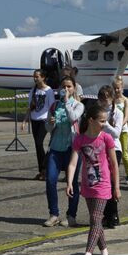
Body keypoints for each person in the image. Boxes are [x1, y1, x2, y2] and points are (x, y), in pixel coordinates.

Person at [66, 103, 121, 255]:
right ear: (91, 120)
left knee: (96, 219)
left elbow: (114, 164)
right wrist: (69, 182)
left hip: (103, 185)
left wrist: (116, 187)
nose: (104, 124)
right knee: (95, 220)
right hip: (88, 185)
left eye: (105, 121)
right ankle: (104, 253)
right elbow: (73, 164)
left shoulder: (106, 138)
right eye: (102, 121)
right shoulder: (80, 139)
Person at [43, 75, 84, 227]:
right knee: (50, 180)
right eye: (63, 87)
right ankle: (54, 214)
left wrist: (67, 103)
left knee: (72, 182)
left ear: (74, 89)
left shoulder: (78, 105)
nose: (66, 89)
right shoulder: (54, 106)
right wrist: (50, 123)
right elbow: (48, 128)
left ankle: (71, 215)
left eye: (69, 87)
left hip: (72, 149)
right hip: (55, 148)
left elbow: (73, 118)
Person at [21, 69, 55, 181]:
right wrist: (25, 121)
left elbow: (52, 106)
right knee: (37, 146)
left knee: (39, 143)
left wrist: (52, 119)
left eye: (37, 76)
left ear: (43, 77)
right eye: (34, 77)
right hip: (34, 120)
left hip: (44, 120)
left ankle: (45, 168)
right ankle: (42, 170)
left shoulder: (48, 91)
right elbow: (30, 107)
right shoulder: (33, 90)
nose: (35, 78)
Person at [98, 86, 124, 229]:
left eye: (106, 97)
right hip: (100, 147)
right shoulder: (98, 111)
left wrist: (105, 124)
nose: (104, 100)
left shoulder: (117, 113)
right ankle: (106, 215)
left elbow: (116, 133)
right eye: (101, 97)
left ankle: (113, 214)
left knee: (112, 181)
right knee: (103, 182)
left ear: (112, 98)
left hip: (114, 148)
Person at [113, 77, 128, 184]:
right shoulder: (112, 100)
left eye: (118, 88)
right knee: (113, 152)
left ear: (122, 88)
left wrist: (119, 126)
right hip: (113, 130)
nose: (116, 90)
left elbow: (126, 117)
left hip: (123, 130)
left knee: (124, 152)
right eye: (115, 88)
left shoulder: (125, 100)